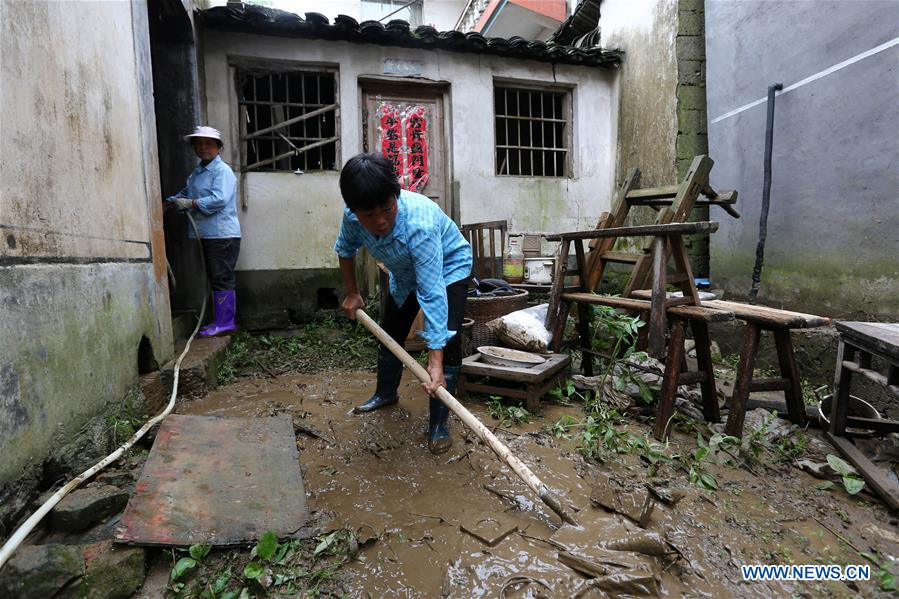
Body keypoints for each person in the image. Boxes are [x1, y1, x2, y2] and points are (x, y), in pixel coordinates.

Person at [334, 153, 472, 454]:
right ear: (354, 211)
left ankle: (439, 424)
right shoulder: (352, 218)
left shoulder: (419, 224)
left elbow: (433, 291)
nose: (380, 220)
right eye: (369, 215)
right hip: (406, 273)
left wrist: (433, 361)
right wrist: (353, 292)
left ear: (396, 196)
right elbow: (345, 251)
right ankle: (385, 394)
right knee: (391, 331)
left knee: (447, 342)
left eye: (387, 209)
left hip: (449, 268)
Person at [165, 126, 241, 337]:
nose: (203, 148)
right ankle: (219, 320)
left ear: (218, 147)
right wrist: (170, 202)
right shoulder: (197, 172)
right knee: (214, 276)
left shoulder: (221, 171)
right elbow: (186, 193)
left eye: (208, 144)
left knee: (222, 277)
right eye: (198, 144)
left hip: (222, 234)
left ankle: (225, 323)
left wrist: (190, 203)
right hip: (207, 234)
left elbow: (219, 199)